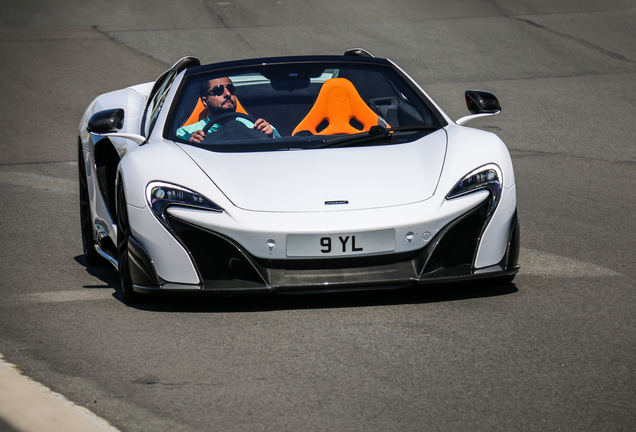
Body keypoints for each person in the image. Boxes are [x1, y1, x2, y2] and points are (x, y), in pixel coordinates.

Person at [176, 77, 280, 143]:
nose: (227, 94)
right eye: (218, 90)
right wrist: (191, 146)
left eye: (231, 89)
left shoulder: (260, 128)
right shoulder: (185, 134)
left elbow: (283, 153)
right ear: (205, 101)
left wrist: (270, 138)